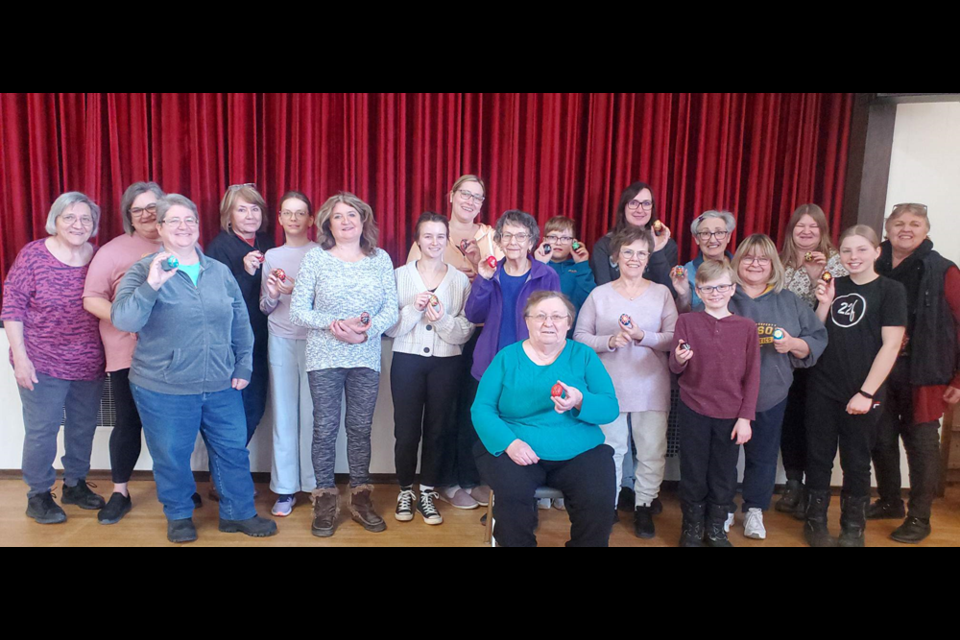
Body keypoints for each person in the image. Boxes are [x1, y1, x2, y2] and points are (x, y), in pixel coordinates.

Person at [111, 194, 276, 543]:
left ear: (199, 227)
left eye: (190, 220)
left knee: (232, 451)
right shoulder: (142, 271)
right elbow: (124, 318)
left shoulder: (217, 271)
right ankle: (179, 514)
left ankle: (239, 513)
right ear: (160, 228)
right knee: (172, 455)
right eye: (174, 221)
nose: (184, 227)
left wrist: (243, 364)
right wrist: (153, 283)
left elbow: (240, 322)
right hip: (163, 385)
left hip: (220, 383)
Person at [289, 192, 398, 538]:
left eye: (352, 214)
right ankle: (324, 500)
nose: (346, 221)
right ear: (327, 224)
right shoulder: (315, 259)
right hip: (324, 356)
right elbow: (297, 311)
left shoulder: (380, 259)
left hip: (365, 356)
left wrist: (366, 334)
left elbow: (391, 309)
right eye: (338, 216)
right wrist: (334, 324)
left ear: (363, 220)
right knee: (324, 428)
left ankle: (361, 500)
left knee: (360, 428)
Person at [473, 291, 619, 547]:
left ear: (568, 323)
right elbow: (482, 409)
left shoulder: (583, 355)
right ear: (527, 321)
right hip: (517, 447)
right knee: (513, 498)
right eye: (540, 316)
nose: (548, 323)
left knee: (598, 499)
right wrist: (510, 443)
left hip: (579, 449)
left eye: (556, 316)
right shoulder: (507, 357)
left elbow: (609, 407)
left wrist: (579, 400)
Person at [3, 192, 106, 524]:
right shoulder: (33, 255)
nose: (78, 224)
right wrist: (20, 357)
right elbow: (12, 307)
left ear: (94, 225)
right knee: (42, 430)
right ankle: (38, 494)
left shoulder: (98, 256)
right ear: (55, 221)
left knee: (82, 427)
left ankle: (75, 485)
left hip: (89, 360)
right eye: (69, 218)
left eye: (85, 219)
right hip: (40, 360)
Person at [803, 225, 907, 548]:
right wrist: (823, 303)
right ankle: (815, 523)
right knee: (818, 457)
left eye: (862, 249)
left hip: (863, 392)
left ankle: (852, 529)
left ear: (877, 252)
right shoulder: (833, 285)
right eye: (847, 251)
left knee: (857, 460)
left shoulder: (891, 291)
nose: (853, 257)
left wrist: (866, 392)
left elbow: (891, 346)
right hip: (823, 387)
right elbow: (814, 335)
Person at [574, 224, 677, 539]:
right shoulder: (599, 294)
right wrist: (609, 341)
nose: (635, 258)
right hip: (609, 388)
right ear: (616, 257)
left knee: (651, 450)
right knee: (611, 450)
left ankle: (644, 506)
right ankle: (610, 505)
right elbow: (579, 338)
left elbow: (674, 339)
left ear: (648, 258)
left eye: (641, 253)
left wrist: (641, 336)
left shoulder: (662, 293)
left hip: (651, 385)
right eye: (628, 252)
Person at [408, 175, 502, 510]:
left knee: (475, 409)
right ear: (451, 195)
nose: (471, 201)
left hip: (482, 332)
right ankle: (445, 480)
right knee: (443, 411)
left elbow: (504, 281)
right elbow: (411, 282)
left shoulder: (492, 236)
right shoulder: (433, 230)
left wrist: (480, 269)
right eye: (465, 194)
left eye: (478, 197)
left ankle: (472, 477)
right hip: (440, 333)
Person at [724, 234, 827, 540]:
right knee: (724, 456)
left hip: (770, 392)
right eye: (748, 257)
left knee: (763, 456)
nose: (755, 264)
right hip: (726, 394)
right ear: (737, 262)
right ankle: (724, 507)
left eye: (763, 259)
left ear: (773, 265)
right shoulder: (724, 295)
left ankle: (755, 509)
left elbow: (816, 338)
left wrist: (793, 344)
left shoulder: (789, 301)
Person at [867, 203, 960, 543]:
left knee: (921, 444)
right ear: (887, 229)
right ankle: (890, 501)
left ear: (926, 230)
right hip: (879, 368)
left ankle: (920, 517)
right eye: (899, 223)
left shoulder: (944, 270)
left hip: (924, 370)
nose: (906, 229)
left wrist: (958, 380)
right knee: (881, 438)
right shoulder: (872, 264)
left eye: (915, 223)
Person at [82, 182, 166, 524]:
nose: (147, 214)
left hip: (171, 355)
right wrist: (123, 317)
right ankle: (120, 491)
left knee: (170, 425)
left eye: (152, 207)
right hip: (127, 353)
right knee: (128, 423)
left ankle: (175, 485)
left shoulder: (183, 244)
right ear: (128, 215)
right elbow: (92, 298)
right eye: (138, 209)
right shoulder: (113, 250)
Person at [387, 212, 474, 525]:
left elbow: (465, 330)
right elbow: (391, 328)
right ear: (417, 240)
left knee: (439, 430)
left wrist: (441, 320)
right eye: (428, 236)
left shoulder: (460, 279)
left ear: (446, 239)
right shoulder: (399, 276)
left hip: (447, 362)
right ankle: (405, 491)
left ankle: (427, 491)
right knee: (406, 430)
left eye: (440, 236)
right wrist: (414, 309)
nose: (434, 242)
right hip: (407, 361)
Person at [670, 259, 760, 548]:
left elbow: (753, 375)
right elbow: (674, 366)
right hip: (693, 407)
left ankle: (716, 528)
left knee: (724, 473)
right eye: (707, 288)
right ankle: (692, 527)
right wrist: (680, 359)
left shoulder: (746, 328)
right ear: (698, 291)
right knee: (693, 470)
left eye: (721, 287)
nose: (715, 293)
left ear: (732, 288)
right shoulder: (687, 321)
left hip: (731, 413)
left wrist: (745, 417)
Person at [775, 204, 848, 516]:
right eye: (800, 226)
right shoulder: (779, 261)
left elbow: (840, 308)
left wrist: (817, 274)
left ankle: (812, 488)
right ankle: (792, 483)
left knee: (816, 422)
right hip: (784, 355)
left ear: (823, 230)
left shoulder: (837, 262)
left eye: (813, 227)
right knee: (789, 419)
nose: (806, 232)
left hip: (821, 355)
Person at [259, 190, 320, 517]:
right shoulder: (271, 255)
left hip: (315, 342)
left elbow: (328, 303)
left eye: (300, 213)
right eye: (287, 213)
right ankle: (284, 490)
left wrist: (297, 288)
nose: (294, 219)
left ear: (311, 219)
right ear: (280, 218)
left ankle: (312, 486)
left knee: (312, 416)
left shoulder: (321, 254)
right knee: (283, 415)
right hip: (280, 339)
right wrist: (271, 294)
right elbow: (265, 306)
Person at [206, 183, 275, 451]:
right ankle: (224, 471)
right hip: (233, 344)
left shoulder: (267, 242)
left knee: (256, 407)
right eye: (242, 209)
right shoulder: (219, 248)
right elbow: (215, 298)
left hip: (264, 337)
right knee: (238, 410)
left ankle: (227, 467)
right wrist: (245, 273)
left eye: (255, 208)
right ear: (229, 215)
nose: (250, 215)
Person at [466, 209, 561, 381]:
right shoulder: (491, 273)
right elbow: (473, 314)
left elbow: (556, 325)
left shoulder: (547, 276)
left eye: (520, 236)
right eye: (507, 235)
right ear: (500, 242)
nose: (513, 242)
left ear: (531, 242)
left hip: (531, 366)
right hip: (491, 364)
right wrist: (483, 279)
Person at [590, 181, 677, 289]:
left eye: (646, 204)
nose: (640, 210)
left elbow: (670, 292)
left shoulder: (667, 245)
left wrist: (656, 251)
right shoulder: (604, 245)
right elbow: (603, 291)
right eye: (633, 203)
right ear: (623, 207)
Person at [535, 215, 596, 337]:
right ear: (544, 240)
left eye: (565, 238)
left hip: (570, 334)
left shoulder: (579, 268)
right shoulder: (535, 266)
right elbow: (532, 297)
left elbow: (589, 300)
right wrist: (541, 265)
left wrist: (582, 264)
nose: (558, 242)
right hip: (540, 331)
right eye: (553, 237)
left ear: (574, 243)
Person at [672, 210, 737, 312]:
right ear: (697, 239)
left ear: (728, 237)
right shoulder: (687, 271)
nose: (712, 240)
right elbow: (683, 314)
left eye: (719, 233)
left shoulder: (741, 267)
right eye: (705, 233)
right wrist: (683, 295)